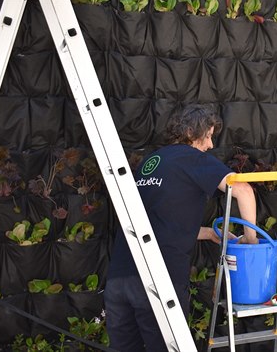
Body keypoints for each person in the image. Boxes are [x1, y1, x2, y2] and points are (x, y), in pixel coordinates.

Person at [104, 104, 258, 351]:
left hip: (120, 280)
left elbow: (156, 223)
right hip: (158, 281)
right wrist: (251, 241)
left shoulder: (151, 161)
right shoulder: (192, 158)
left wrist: (209, 233)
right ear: (191, 132)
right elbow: (243, 190)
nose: (210, 145)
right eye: (208, 136)